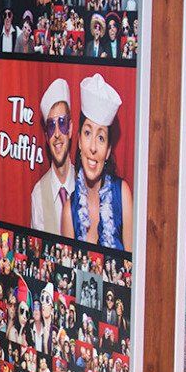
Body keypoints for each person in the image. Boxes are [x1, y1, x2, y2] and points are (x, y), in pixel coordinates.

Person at [61, 73, 134, 249]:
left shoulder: (122, 194)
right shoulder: (69, 211)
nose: (93, 147)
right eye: (87, 133)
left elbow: (133, 263)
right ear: (78, 141)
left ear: (108, 150)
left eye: (101, 138)